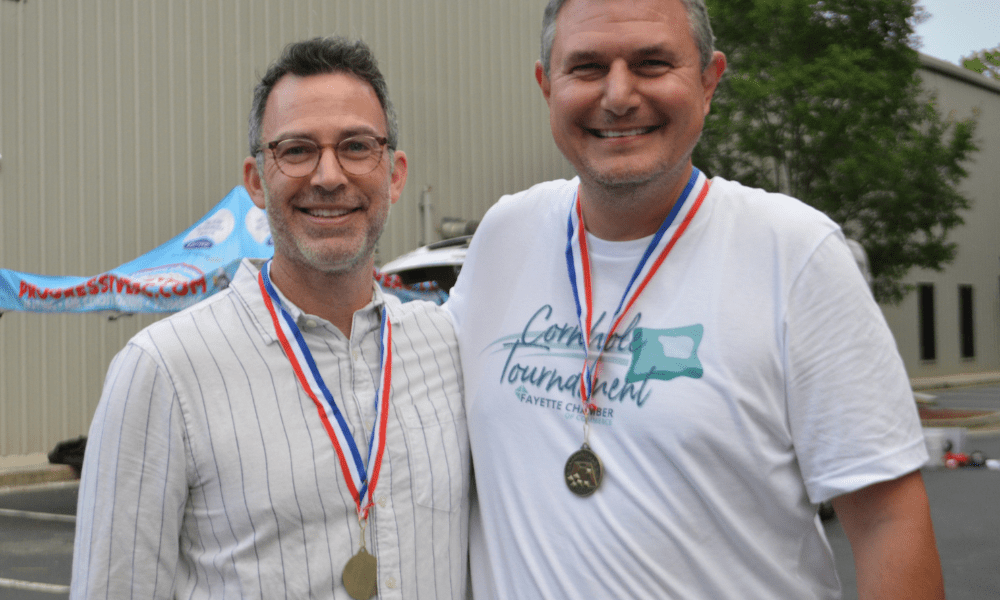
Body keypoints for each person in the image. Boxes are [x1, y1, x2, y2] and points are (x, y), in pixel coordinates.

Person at [445, 0, 944, 598]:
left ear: (709, 81)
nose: (619, 95)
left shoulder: (796, 253)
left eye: (652, 63)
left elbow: (890, 520)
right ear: (547, 86)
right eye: (587, 67)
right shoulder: (505, 235)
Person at [71, 36, 469, 600]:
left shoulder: (447, 347)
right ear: (257, 180)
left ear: (395, 174)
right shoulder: (162, 371)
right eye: (297, 150)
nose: (328, 176)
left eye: (357, 146)